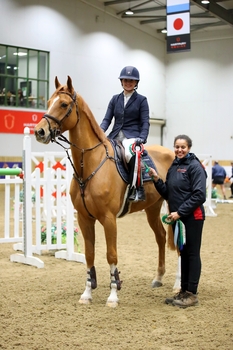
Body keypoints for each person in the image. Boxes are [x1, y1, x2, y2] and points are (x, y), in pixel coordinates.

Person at [148, 135, 206, 308]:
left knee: (192, 254)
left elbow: (199, 195)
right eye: (177, 147)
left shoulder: (195, 167)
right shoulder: (175, 166)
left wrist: (180, 212)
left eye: (183, 147)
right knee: (184, 253)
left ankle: (192, 294)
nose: (180, 150)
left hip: (192, 217)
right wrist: (157, 180)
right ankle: (183, 290)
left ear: (189, 148)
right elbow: (169, 193)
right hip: (178, 218)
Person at [100, 66, 150, 201]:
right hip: (114, 135)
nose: (128, 83)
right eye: (126, 80)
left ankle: (137, 189)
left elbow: (145, 121)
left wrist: (142, 137)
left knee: (130, 153)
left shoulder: (142, 100)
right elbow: (107, 119)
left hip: (132, 136)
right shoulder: (114, 99)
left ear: (136, 83)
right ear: (121, 81)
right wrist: (99, 131)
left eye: (132, 81)